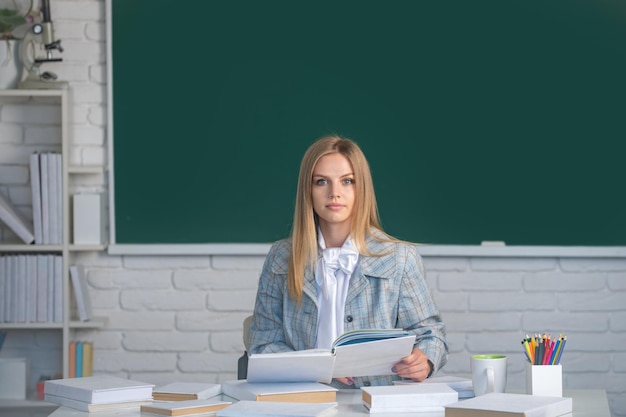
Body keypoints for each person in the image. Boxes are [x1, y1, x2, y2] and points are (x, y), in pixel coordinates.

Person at [248, 134, 448, 388]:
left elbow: (430, 334)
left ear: (361, 188)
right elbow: (263, 343)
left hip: (376, 403)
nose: (334, 193)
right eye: (321, 182)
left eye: (347, 181)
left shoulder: (399, 258)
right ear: (307, 190)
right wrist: (318, 368)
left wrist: (425, 359)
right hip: (304, 399)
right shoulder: (281, 258)